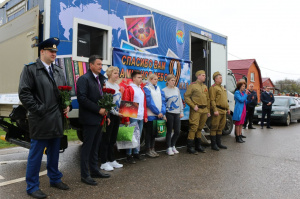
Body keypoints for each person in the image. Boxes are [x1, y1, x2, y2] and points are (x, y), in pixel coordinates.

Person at [19, 37, 71, 199]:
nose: (54, 53)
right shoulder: (30, 69)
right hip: (40, 119)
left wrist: (67, 104)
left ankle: (55, 179)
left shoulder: (58, 71)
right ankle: (32, 187)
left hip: (57, 119)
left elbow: (65, 92)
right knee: (36, 154)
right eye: (51, 51)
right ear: (42, 52)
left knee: (55, 152)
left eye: (55, 51)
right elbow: (24, 94)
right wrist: (39, 110)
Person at [77, 55, 111, 186]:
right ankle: (85, 175)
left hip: (100, 119)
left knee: (95, 146)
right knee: (87, 148)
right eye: (98, 64)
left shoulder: (101, 79)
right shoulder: (84, 79)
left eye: (101, 64)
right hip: (90, 119)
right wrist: (98, 110)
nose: (101, 67)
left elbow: (104, 99)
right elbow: (82, 98)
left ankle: (94, 170)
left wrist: (106, 115)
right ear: (91, 65)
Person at [100, 66, 123, 171]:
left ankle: (111, 159)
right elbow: (107, 103)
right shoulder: (106, 85)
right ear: (109, 74)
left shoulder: (117, 86)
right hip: (109, 115)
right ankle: (103, 161)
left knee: (113, 139)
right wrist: (117, 113)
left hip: (117, 115)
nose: (117, 75)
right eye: (115, 73)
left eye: (118, 73)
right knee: (106, 139)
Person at [123, 70, 148, 163]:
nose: (140, 79)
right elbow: (126, 103)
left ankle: (136, 152)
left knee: (138, 135)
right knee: (131, 135)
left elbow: (143, 103)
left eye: (141, 77)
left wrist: (145, 115)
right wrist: (126, 118)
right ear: (133, 78)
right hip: (133, 115)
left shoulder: (141, 89)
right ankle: (128, 155)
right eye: (138, 77)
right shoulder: (130, 88)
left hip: (140, 115)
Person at [184, 70, 210, 154]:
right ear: (198, 76)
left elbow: (208, 99)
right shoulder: (192, 86)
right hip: (196, 109)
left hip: (204, 110)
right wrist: (193, 105)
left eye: (204, 75)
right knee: (193, 127)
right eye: (203, 75)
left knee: (200, 128)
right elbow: (186, 97)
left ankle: (198, 146)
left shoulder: (205, 87)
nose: (204, 77)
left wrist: (208, 110)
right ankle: (190, 147)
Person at [144, 74, 166, 157]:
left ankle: (153, 149)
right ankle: (148, 150)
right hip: (151, 115)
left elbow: (163, 101)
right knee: (149, 134)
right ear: (150, 79)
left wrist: (162, 112)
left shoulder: (159, 89)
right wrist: (157, 112)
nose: (156, 80)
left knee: (154, 134)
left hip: (159, 115)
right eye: (154, 79)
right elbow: (149, 102)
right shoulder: (147, 88)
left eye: (157, 79)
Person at [162, 74, 184, 155]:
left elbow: (180, 101)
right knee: (169, 131)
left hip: (177, 112)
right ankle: (168, 148)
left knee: (177, 131)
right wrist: (164, 114)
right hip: (169, 113)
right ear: (168, 81)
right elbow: (163, 103)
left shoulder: (177, 89)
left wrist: (181, 111)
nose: (173, 82)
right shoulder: (164, 90)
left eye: (174, 80)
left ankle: (173, 145)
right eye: (172, 80)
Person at [209, 71, 230, 151]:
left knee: (220, 127)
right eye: (220, 77)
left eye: (221, 77)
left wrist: (228, 108)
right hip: (217, 110)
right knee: (214, 127)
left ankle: (219, 143)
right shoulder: (213, 88)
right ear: (215, 79)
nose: (221, 79)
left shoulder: (222, 87)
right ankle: (213, 145)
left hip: (223, 111)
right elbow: (212, 100)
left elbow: (225, 99)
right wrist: (214, 110)